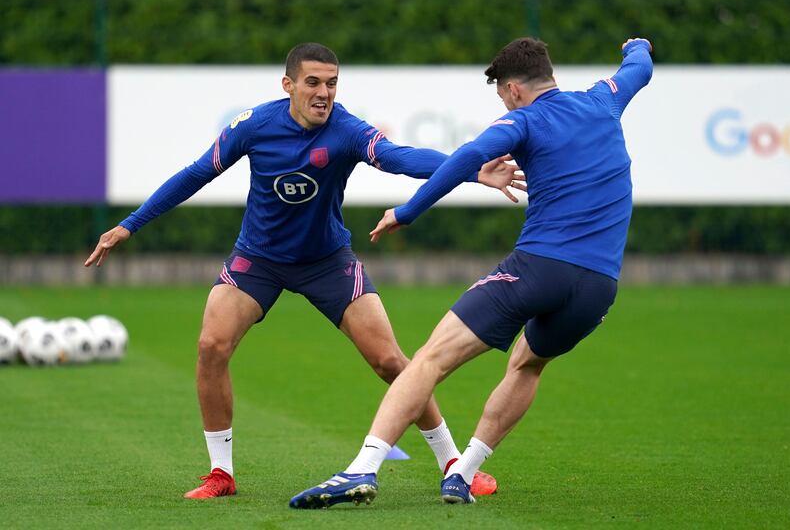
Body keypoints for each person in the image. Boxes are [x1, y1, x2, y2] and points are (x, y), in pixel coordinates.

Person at [85, 43, 525, 500]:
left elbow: (401, 158)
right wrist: (127, 225)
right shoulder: (254, 125)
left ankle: (454, 462)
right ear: (288, 84)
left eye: (332, 83)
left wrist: (472, 171)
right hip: (258, 259)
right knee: (211, 345)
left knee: (391, 361)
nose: (324, 93)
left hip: (327, 261)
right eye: (313, 82)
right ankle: (221, 474)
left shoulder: (347, 129)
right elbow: (196, 174)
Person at [290, 37, 653, 508]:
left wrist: (408, 211)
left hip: (539, 268)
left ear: (515, 89)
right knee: (528, 363)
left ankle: (362, 469)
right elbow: (640, 68)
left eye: (501, 93)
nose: (502, 101)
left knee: (429, 359)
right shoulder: (604, 98)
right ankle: (462, 473)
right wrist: (637, 45)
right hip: (599, 287)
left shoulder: (523, 119)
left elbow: (466, 157)